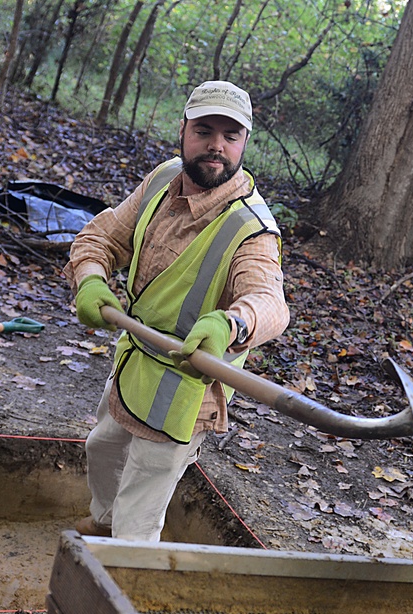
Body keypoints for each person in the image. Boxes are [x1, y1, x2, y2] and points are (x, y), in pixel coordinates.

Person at [65, 80, 289, 541]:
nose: (216, 147)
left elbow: (270, 303)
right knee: (103, 450)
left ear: (245, 142)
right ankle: (102, 524)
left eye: (231, 136)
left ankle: (120, 583)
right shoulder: (163, 180)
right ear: (183, 130)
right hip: (133, 365)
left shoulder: (252, 229)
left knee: (141, 503)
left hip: (185, 393)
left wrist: (232, 323)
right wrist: (89, 277)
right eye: (205, 130)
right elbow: (102, 237)